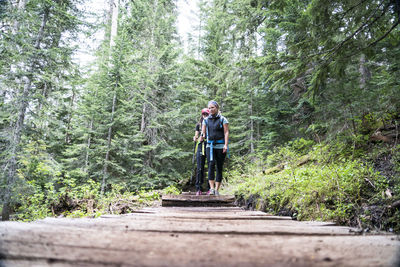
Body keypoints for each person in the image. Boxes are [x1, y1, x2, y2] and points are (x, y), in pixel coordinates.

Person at [199, 100, 229, 196]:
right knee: (211, 165)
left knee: (219, 167)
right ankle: (211, 189)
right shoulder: (206, 120)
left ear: (217, 108)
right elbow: (203, 131)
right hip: (210, 146)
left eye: (213, 107)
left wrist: (226, 145)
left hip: (220, 146)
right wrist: (202, 136)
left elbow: (226, 132)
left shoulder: (223, 119)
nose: (211, 109)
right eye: (209, 108)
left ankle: (217, 189)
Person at [193, 108, 210, 195]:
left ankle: (210, 188)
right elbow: (196, 134)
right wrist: (195, 137)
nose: (205, 116)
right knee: (200, 167)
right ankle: (198, 188)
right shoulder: (198, 125)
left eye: (206, 114)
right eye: (203, 114)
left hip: (209, 144)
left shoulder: (211, 123)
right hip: (201, 145)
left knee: (211, 166)